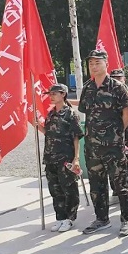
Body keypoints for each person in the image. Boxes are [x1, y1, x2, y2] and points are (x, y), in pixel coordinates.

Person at [78, 50, 128, 236]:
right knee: (96, 185)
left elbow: (127, 114)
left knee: (120, 184)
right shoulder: (88, 87)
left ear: (106, 64)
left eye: (97, 63)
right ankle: (101, 219)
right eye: (91, 63)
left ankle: (126, 220)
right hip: (92, 147)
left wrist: (116, 135)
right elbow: (85, 112)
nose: (94, 66)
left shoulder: (117, 87)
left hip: (113, 146)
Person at [38, 84, 84, 233]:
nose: (51, 96)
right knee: (55, 189)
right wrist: (36, 125)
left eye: (54, 93)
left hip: (65, 158)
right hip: (50, 157)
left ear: (63, 94)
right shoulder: (51, 114)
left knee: (69, 189)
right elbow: (48, 133)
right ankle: (60, 217)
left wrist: (76, 158)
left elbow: (76, 137)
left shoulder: (70, 114)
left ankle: (70, 218)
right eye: (50, 94)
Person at [109, 68, 128, 207]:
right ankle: (116, 192)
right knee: (113, 164)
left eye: (119, 78)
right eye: (114, 78)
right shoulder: (107, 94)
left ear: (124, 79)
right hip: (111, 136)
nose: (117, 81)